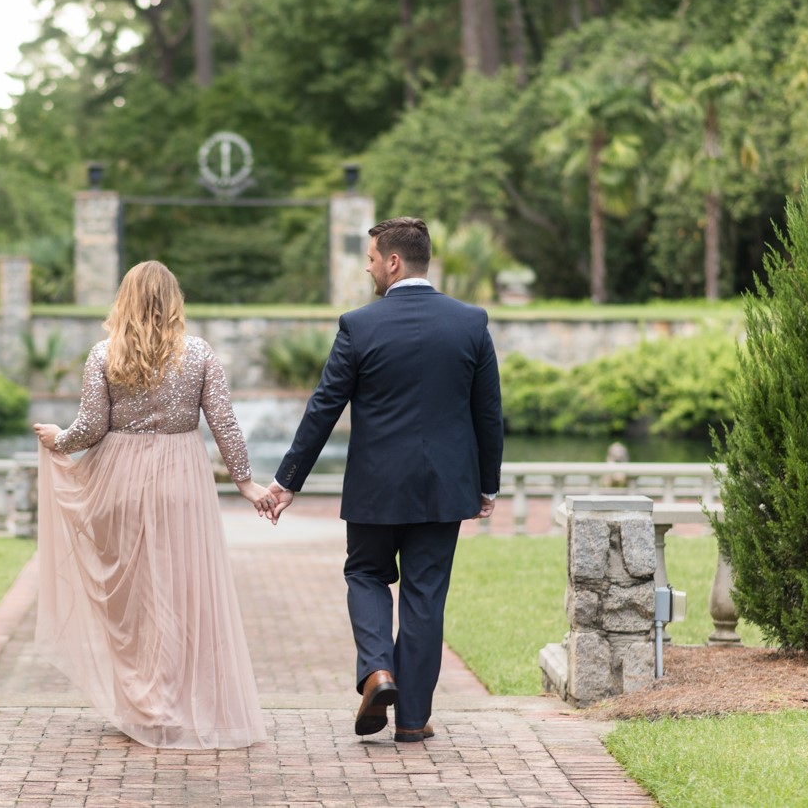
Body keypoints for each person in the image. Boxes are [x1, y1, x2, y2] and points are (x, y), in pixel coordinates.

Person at [266, 217, 503, 743]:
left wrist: (288, 480)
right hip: (445, 490)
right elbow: (488, 413)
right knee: (425, 597)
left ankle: (377, 671)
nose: (369, 268)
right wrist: (488, 484)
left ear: (394, 262)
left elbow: (324, 407)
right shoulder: (471, 322)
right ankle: (413, 720)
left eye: (372, 259)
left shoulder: (359, 325)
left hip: (375, 488)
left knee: (366, 575)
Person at [31, 260, 272, 750]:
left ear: (125, 299)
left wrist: (60, 439)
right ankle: (172, 698)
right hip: (182, 475)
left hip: (119, 478)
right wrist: (246, 483)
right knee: (180, 590)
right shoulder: (200, 353)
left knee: (134, 594)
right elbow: (224, 424)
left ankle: (148, 700)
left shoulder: (105, 353)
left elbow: (92, 428)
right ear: (174, 300)